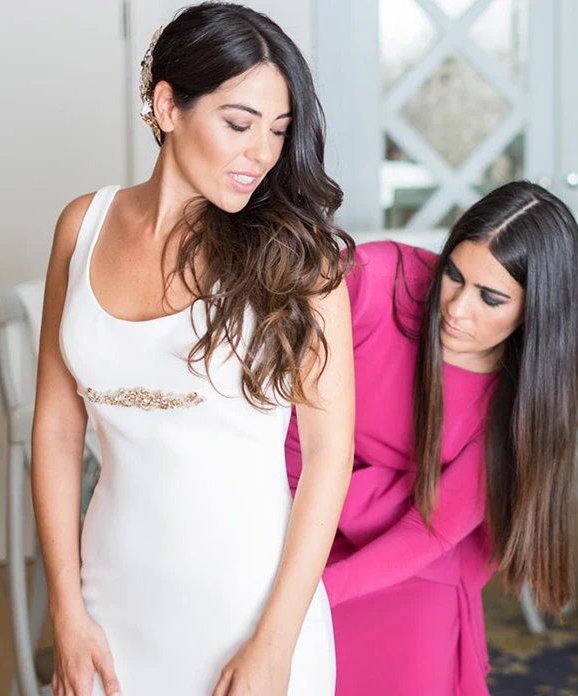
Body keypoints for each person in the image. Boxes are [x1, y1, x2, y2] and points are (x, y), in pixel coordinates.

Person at [30, 4, 354, 694]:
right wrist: (66, 606)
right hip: (108, 603)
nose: (262, 154)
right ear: (167, 106)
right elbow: (56, 429)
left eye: (279, 131)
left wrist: (275, 643)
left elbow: (329, 456)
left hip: (253, 614)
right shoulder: (82, 227)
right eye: (239, 123)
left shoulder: (299, 260)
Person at [286, 181, 578, 695]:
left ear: (537, 311)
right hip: (287, 512)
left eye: (491, 298)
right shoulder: (378, 282)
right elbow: (264, 373)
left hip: (407, 559)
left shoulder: (521, 399)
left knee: (415, 641)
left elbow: (428, 533)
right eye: (453, 274)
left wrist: (311, 598)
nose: (456, 308)